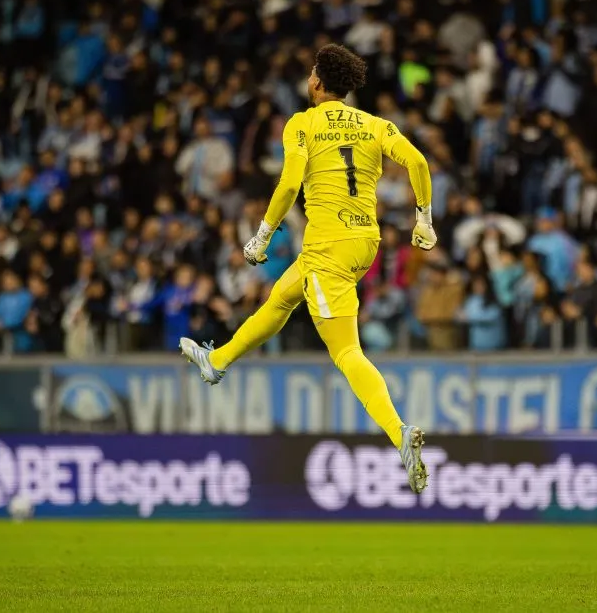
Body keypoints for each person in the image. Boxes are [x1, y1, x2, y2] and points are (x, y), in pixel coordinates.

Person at [180, 44, 436, 494]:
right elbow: (417, 161)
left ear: (318, 81)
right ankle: (216, 360)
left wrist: (262, 235)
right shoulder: (376, 125)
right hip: (363, 242)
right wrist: (424, 219)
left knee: (346, 352)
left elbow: (290, 182)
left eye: (312, 71)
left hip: (328, 244)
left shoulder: (302, 123)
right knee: (280, 298)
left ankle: (399, 434)